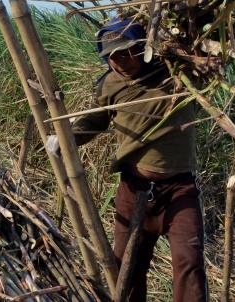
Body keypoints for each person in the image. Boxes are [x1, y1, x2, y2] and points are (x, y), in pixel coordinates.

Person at [48, 17, 207, 302]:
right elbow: (95, 121)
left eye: (124, 52)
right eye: (111, 55)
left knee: (189, 261)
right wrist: (65, 138)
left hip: (179, 190)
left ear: (142, 48)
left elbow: (209, 61)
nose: (117, 60)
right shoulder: (109, 85)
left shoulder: (176, 72)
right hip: (134, 189)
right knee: (126, 269)